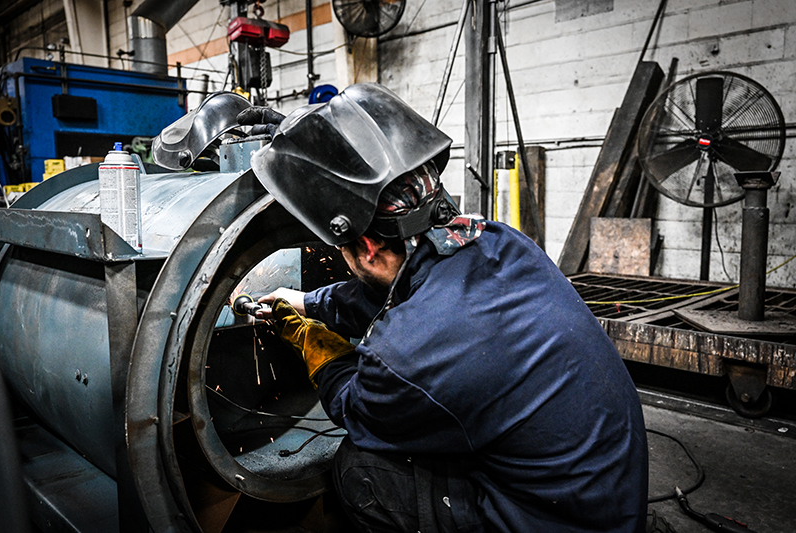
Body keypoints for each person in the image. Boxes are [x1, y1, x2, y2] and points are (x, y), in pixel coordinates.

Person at [244, 83, 649, 532]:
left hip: (551, 521)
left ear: (366, 248)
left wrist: (316, 345)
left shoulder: (405, 359)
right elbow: (394, 293)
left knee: (360, 472)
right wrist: (306, 303)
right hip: (605, 494)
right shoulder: (500, 242)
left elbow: (357, 409)